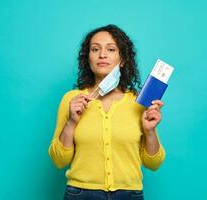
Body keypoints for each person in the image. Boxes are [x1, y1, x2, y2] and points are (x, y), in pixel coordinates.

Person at [48, 24, 166, 200]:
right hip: (80, 194)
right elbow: (58, 160)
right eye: (95, 49)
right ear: (88, 58)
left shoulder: (138, 102)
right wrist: (71, 122)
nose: (102, 54)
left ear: (123, 59)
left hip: (130, 194)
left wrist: (150, 131)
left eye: (111, 49)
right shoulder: (71, 100)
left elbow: (154, 163)